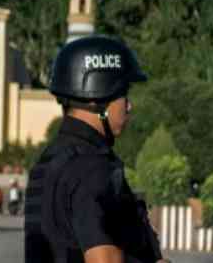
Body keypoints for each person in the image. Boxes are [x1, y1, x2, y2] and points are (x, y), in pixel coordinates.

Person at [24, 36, 167, 263]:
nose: (129, 105)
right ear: (98, 98)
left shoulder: (48, 162)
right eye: (123, 94)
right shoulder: (92, 168)